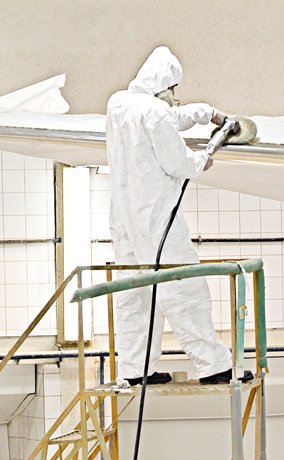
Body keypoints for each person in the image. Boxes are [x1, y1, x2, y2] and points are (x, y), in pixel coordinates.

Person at [105, 46, 249, 385]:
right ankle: (214, 366)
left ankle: (136, 370)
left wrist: (206, 113)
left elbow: (162, 117)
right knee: (183, 288)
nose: (175, 97)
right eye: (174, 90)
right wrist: (202, 161)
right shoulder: (156, 113)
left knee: (137, 294)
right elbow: (177, 162)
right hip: (157, 219)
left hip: (125, 219)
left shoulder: (119, 104)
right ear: (163, 87)